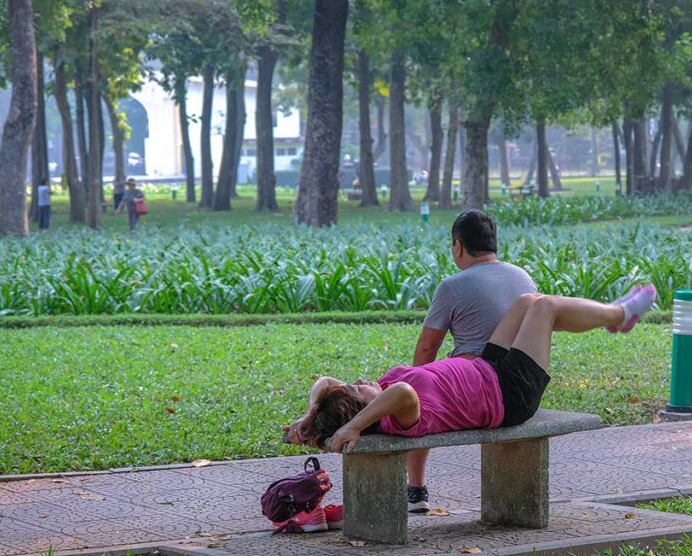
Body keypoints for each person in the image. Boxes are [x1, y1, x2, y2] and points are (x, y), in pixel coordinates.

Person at [282, 284, 658, 510]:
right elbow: (404, 391)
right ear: (364, 409)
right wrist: (353, 426)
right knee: (546, 308)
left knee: (528, 300)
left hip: (489, 370)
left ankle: (613, 316)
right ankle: (619, 314)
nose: (361, 379)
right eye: (358, 387)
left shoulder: (379, 396)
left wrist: (308, 414)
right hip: (510, 396)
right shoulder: (399, 415)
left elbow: (326, 380)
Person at [406, 209, 536, 511]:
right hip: (520, 391)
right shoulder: (523, 277)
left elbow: (426, 350)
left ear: (457, 246)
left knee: (413, 401)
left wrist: (414, 386)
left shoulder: (453, 286)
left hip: (475, 390)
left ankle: (415, 490)